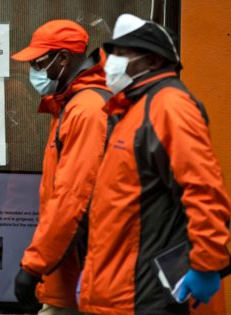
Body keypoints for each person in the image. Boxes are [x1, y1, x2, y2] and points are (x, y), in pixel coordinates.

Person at [78, 13, 230, 315]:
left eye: (121, 54)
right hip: (119, 291)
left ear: (152, 61)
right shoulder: (134, 108)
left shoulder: (169, 106)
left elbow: (203, 190)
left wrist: (206, 264)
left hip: (142, 297)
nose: (111, 63)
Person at [11, 20, 112, 314]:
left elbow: (73, 199)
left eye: (39, 62)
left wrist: (34, 266)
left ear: (64, 58)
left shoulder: (87, 110)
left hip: (83, 273)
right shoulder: (73, 105)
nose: (34, 71)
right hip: (74, 272)